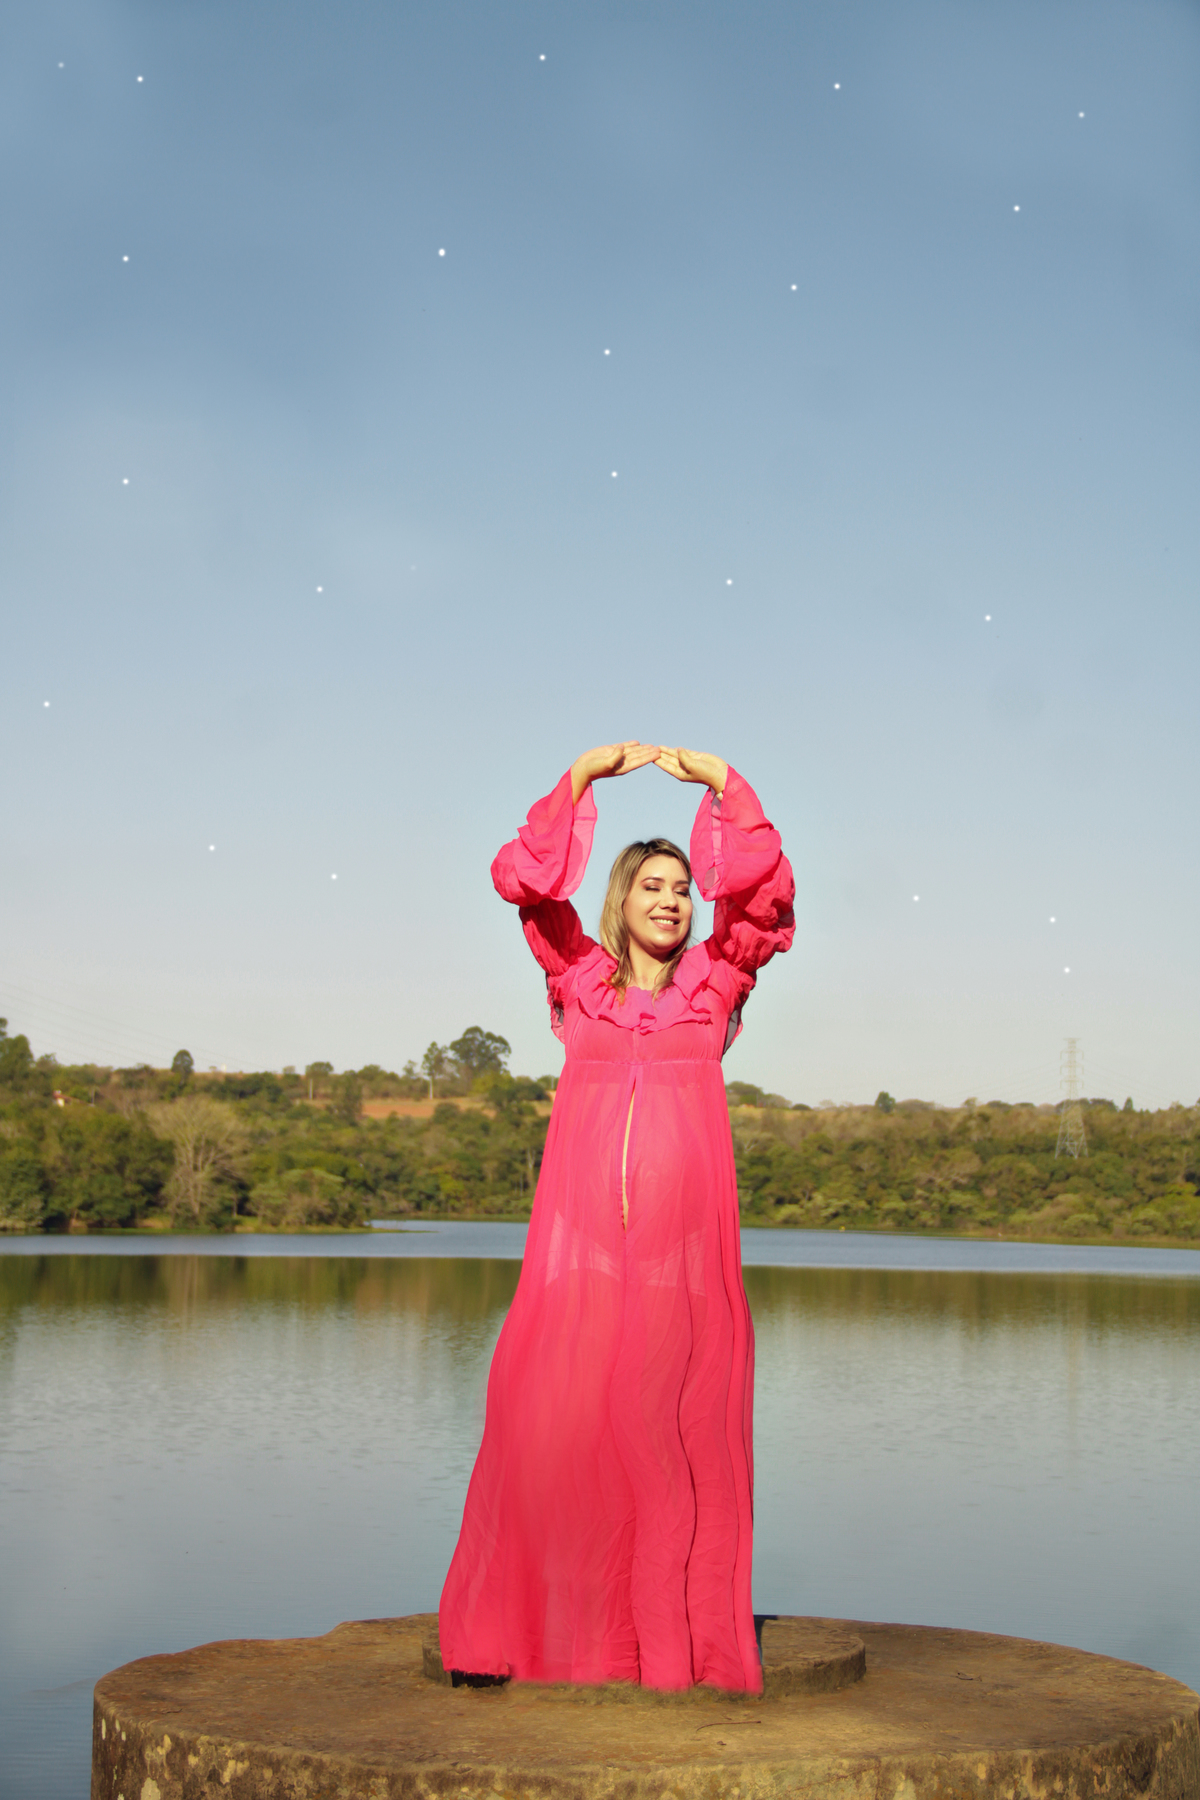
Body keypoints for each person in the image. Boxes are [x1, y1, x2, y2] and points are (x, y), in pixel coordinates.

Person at [438, 742, 794, 1692]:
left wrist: (727, 790)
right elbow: (522, 883)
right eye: (653, 886)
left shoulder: (718, 980)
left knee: (675, 1444)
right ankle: (556, 1630)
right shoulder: (579, 979)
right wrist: (580, 781)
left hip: (684, 1266)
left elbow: (761, 902)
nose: (674, 899)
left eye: (684, 885)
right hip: (581, 1258)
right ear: (621, 902)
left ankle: (668, 1644)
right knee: (556, 1429)